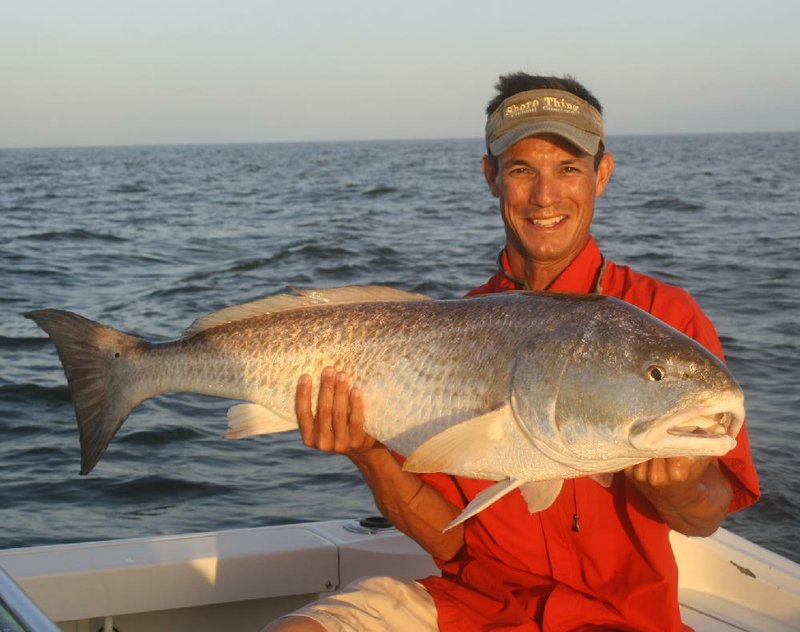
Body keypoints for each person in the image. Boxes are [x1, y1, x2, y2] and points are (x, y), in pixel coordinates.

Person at [265, 72, 760, 632]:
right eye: (522, 170)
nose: (545, 196)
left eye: (568, 169)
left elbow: (707, 515)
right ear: (491, 177)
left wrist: (684, 487)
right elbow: (450, 545)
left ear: (602, 173)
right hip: (473, 607)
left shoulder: (666, 317)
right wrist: (367, 452)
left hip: (627, 620)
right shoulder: (450, 331)